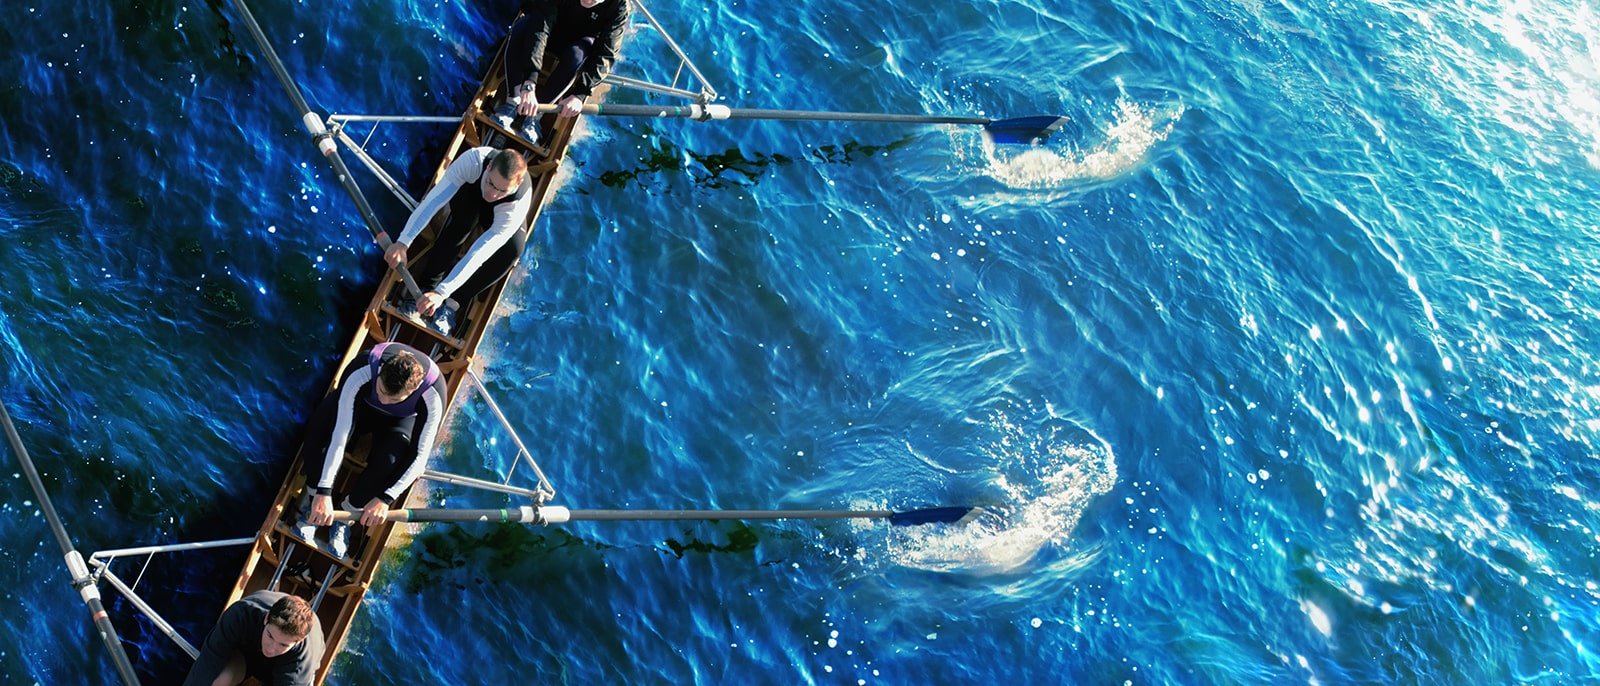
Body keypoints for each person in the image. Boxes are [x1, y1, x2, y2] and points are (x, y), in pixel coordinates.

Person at [295, 342, 446, 557]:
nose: (384, 400)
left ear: (412, 390)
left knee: (391, 460)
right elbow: (340, 434)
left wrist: (385, 499)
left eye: (393, 398)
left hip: (398, 421)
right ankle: (313, 502)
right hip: (360, 405)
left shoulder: (433, 395)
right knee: (319, 428)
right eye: (382, 390)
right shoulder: (363, 368)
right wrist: (323, 491)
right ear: (381, 371)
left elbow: (420, 456)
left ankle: (346, 516)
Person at [384, 147, 532, 336]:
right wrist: (403, 242)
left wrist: (443, 293)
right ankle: (427, 286)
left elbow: (479, 254)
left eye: (501, 190)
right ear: (489, 166)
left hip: (497, 215)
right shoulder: (472, 161)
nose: (492, 194)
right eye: (490, 183)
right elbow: (433, 202)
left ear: (518, 183)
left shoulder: (516, 206)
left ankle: (453, 304)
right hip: (471, 194)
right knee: (462, 225)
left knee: (513, 251)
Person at [494, 0, 631, 142]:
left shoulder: (619, 7)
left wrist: (579, 95)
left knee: (577, 56)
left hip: (577, 42)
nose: (588, 1)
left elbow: (606, 55)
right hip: (547, 22)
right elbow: (541, 25)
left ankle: (536, 115)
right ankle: (513, 100)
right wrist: (530, 81)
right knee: (522, 27)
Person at [183, 591, 324, 686]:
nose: (271, 649)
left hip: (286, 670)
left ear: (298, 642)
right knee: (217, 682)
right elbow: (208, 663)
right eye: (270, 636)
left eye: (283, 645)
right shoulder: (240, 615)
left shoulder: (300, 667)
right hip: (248, 653)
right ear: (267, 618)